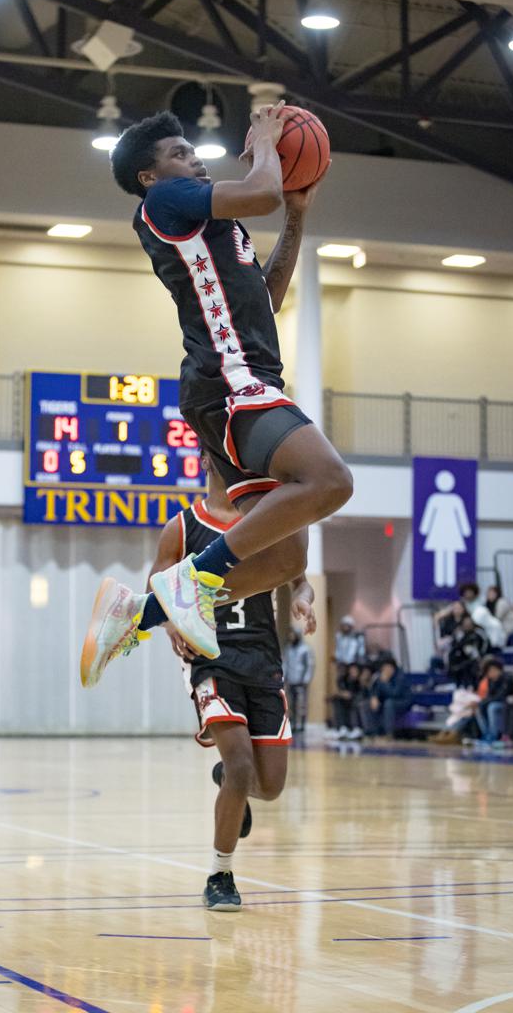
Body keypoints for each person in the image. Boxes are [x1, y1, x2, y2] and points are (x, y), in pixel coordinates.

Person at [81, 106, 352, 686]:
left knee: (285, 559)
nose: (195, 157)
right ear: (151, 177)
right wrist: (265, 141)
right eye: (179, 153)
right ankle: (187, 584)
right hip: (229, 380)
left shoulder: (214, 226)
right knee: (331, 481)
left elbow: (266, 297)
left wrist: (298, 217)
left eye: (191, 149)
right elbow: (260, 193)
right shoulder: (163, 203)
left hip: (237, 383)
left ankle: (137, 613)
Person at [148, 450, 316, 911]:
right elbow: (156, 587)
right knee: (242, 763)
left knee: (271, 784)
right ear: (205, 457)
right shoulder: (183, 526)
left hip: (263, 659)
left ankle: (228, 780)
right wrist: (170, 625)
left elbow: (299, 580)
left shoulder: (267, 521)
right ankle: (220, 875)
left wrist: (303, 598)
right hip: (212, 658)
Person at [362, 659, 411, 739]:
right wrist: (374, 697)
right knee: (366, 704)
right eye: (383, 668)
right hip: (388, 701)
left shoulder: (400, 677)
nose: (385, 670)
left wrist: (384, 683)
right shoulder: (380, 677)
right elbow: (374, 690)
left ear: (392, 668)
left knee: (389, 703)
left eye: (387, 668)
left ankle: (388, 733)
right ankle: (371, 732)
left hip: (403, 701)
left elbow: (395, 693)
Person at [475, 657, 513, 745]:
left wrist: (487, 701)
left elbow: (502, 695)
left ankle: (493, 735)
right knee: (479, 707)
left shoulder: (507, 678)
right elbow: (489, 695)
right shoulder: (490, 681)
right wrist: (483, 702)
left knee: (492, 707)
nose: (490, 674)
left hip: (506, 703)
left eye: (492, 671)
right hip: (495, 701)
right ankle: (486, 734)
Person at [283, 627, 314, 733]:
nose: (291, 636)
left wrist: (306, 679)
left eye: (293, 634)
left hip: (301, 681)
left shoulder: (305, 649)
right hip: (291, 680)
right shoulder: (288, 648)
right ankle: (293, 723)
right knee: (291, 703)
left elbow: (309, 665)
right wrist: (284, 677)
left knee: (301, 704)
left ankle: (301, 724)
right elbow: (285, 664)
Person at [447, 614, 488, 687]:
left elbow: (476, 653)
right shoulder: (461, 634)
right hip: (463, 658)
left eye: (469, 624)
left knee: (467, 665)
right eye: (465, 624)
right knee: (453, 658)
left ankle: (470, 686)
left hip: (478, 658)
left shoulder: (477, 634)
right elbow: (455, 648)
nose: (467, 626)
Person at [327, 663, 363, 740]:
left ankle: (356, 728)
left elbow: (362, 693)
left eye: (355, 670)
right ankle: (342, 728)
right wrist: (342, 694)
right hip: (346, 700)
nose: (353, 672)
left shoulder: (361, 680)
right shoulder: (344, 679)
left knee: (355, 703)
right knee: (337, 701)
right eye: (351, 670)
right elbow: (342, 691)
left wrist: (351, 695)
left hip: (357, 699)